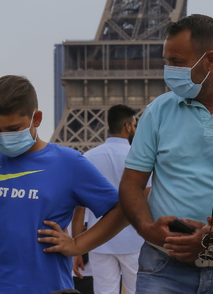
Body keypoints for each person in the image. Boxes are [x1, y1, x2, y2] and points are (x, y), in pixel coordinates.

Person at [0, 75, 128, 294]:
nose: (4, 136)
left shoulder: (69, 162)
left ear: (36, 118)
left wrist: (78, 245)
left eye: (13, 128)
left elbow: (122, 210)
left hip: (49, 289)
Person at [120, 14, 213, 294]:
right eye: (167, 61)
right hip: (163, 262)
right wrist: (147, 228)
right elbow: (131, 183)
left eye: (177, 62)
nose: (169, 70)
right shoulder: (159, 110)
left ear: (210, 60)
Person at [73, 104, 144, 294]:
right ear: (128, 126)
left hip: (99, 241)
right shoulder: (139, 157)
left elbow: (79, 208)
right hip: (135, 240)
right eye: (135, 126)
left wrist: (77, 247)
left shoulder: (88, 157)